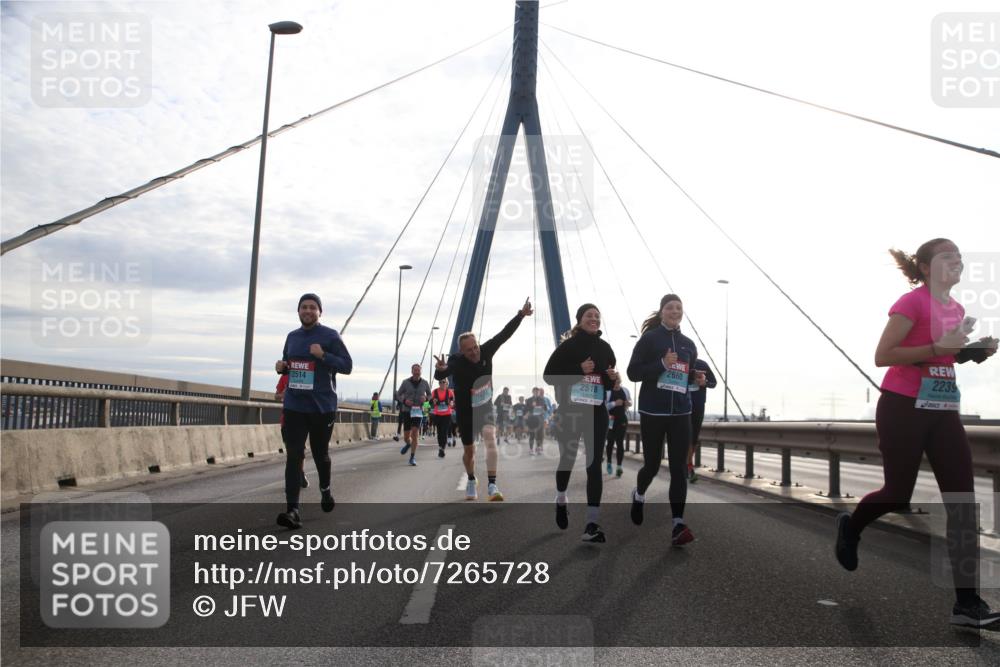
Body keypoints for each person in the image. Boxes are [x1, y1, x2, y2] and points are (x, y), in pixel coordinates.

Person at [835, 238, 1000, 628]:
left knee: (962, 500)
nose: (956, 262)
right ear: (926, 268)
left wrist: (969, 351)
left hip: (943, 410)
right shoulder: (911, 303)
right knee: (897, 492)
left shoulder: (956, 308)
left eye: (959, 257)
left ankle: (967, 604)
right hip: (903, 406)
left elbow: (942, 353)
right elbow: (884, 355)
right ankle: (851, 526)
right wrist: (937, 347)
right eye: (947, 257)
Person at [434, 298, 533, 501]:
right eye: (469, 350)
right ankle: (471, 479)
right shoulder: (456, 361)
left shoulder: (487, 350)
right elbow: (443, 373)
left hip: (485, 407)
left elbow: (504, 334)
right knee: (469, 451)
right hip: (465, 410)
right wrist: (440, 370)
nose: (474, 352)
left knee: (489, 436)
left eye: (475, 347)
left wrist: (521, 315)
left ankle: (492, 485)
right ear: (462, 351)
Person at [626, 293, 705, 547]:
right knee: (651, 465)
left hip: (681, 413)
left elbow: (686, 376)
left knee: (679, 470)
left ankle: (678, 525)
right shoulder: (650, 340)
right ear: (662, 312)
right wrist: (661, 363)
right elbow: (633, 373)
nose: (675, 311)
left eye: (679, 308)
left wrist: (696, 379)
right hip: (653, 412)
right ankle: (639, 495)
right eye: (670, 307)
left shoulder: (689, 345)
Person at [274, 293, 352, 529]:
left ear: (320, 312)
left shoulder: (330, 336)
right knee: (294, 455)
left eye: (312, 307)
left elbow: (347, 366)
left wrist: (323, 356)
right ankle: (293, 511)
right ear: (298, 311)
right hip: (295, 405)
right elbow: (289, 364)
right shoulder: (292, 337)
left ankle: (325, 491)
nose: (307, 311)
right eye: (303, 307)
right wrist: (282, 368)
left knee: (320, 454)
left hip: (322, 407)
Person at [543, 303, 618, 542]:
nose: (594, 319)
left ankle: (592, 523)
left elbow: (606, 381)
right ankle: (561, 499)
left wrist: (614, 380)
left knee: (594, 465)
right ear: (579, 320)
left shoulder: (606, 348)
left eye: (597, 315)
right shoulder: (568, 346)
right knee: (568, 459)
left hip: (596, 412)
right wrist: (578, 369)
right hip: (571, 412)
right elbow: (549, 376)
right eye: (589, 315)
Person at [275, 374, 309, 488]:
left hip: (302, 419)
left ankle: (301, 473)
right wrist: (283, 394)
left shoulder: (305, 375)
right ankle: (294, 476)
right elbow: (276, 396)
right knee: (291, 451)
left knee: (301, 450)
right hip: (286, 420)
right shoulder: (284, 376)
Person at [686, 358, 717, 482]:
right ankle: (687, 467)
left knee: (694, 438)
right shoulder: (681, 363)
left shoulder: (702, 364)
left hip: (698, 406)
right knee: (684, 436)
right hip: (682, 404)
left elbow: (714, 383)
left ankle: (688, 464)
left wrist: (705, 383)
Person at [396, 364, 431, 466]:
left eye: (418, 370)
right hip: (407, 411)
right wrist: (405, 401)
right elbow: (398, 394)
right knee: (407, 436)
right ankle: (408, 443)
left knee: (415, 432)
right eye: (415, 370)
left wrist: (426, 399)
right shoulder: (405, 382)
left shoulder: (425, 383)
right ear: (412, 371)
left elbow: (429, 394)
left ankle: (412, 457)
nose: (417, 372)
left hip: (418, 412)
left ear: (421, 371)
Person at [605, 378, 632, 478]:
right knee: (610, 442)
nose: (616, 384)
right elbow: (603, 406)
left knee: (620, 443)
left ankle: (619, 467)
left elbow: (630, 402)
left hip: (622, 420)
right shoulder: (608, 392)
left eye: (618, 382)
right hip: (611, 420)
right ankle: (609, 462)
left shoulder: (625, 390)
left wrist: (628, 403)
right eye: (615, 382)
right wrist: (614, 404)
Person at [431, 378, 455, 458]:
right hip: (437, 414)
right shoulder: (434, 391)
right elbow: (431, 402)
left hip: (447, 414)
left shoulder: (449, 392)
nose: (442, 383)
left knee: (444, 431)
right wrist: (433, 402)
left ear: (446, 383)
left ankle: (442, 449)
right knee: (439, 432)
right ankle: (440, 446)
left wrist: (451, 403)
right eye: (440, 382)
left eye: (443, 382)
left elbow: (452, 402)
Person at [524, 387, 546, 456]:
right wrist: (531, 407)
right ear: (532, 392)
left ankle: (538, 448)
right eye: (535, 391)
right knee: (532, 435)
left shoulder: (542, 399)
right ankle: (531, 449)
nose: (536, 392)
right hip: (532, 419)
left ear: (539, 392)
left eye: (537, 391)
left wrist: (542, 410)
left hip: (540, 419)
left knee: (539, 434)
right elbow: (526, 410)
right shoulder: (529, 400)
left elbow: (545, 409)